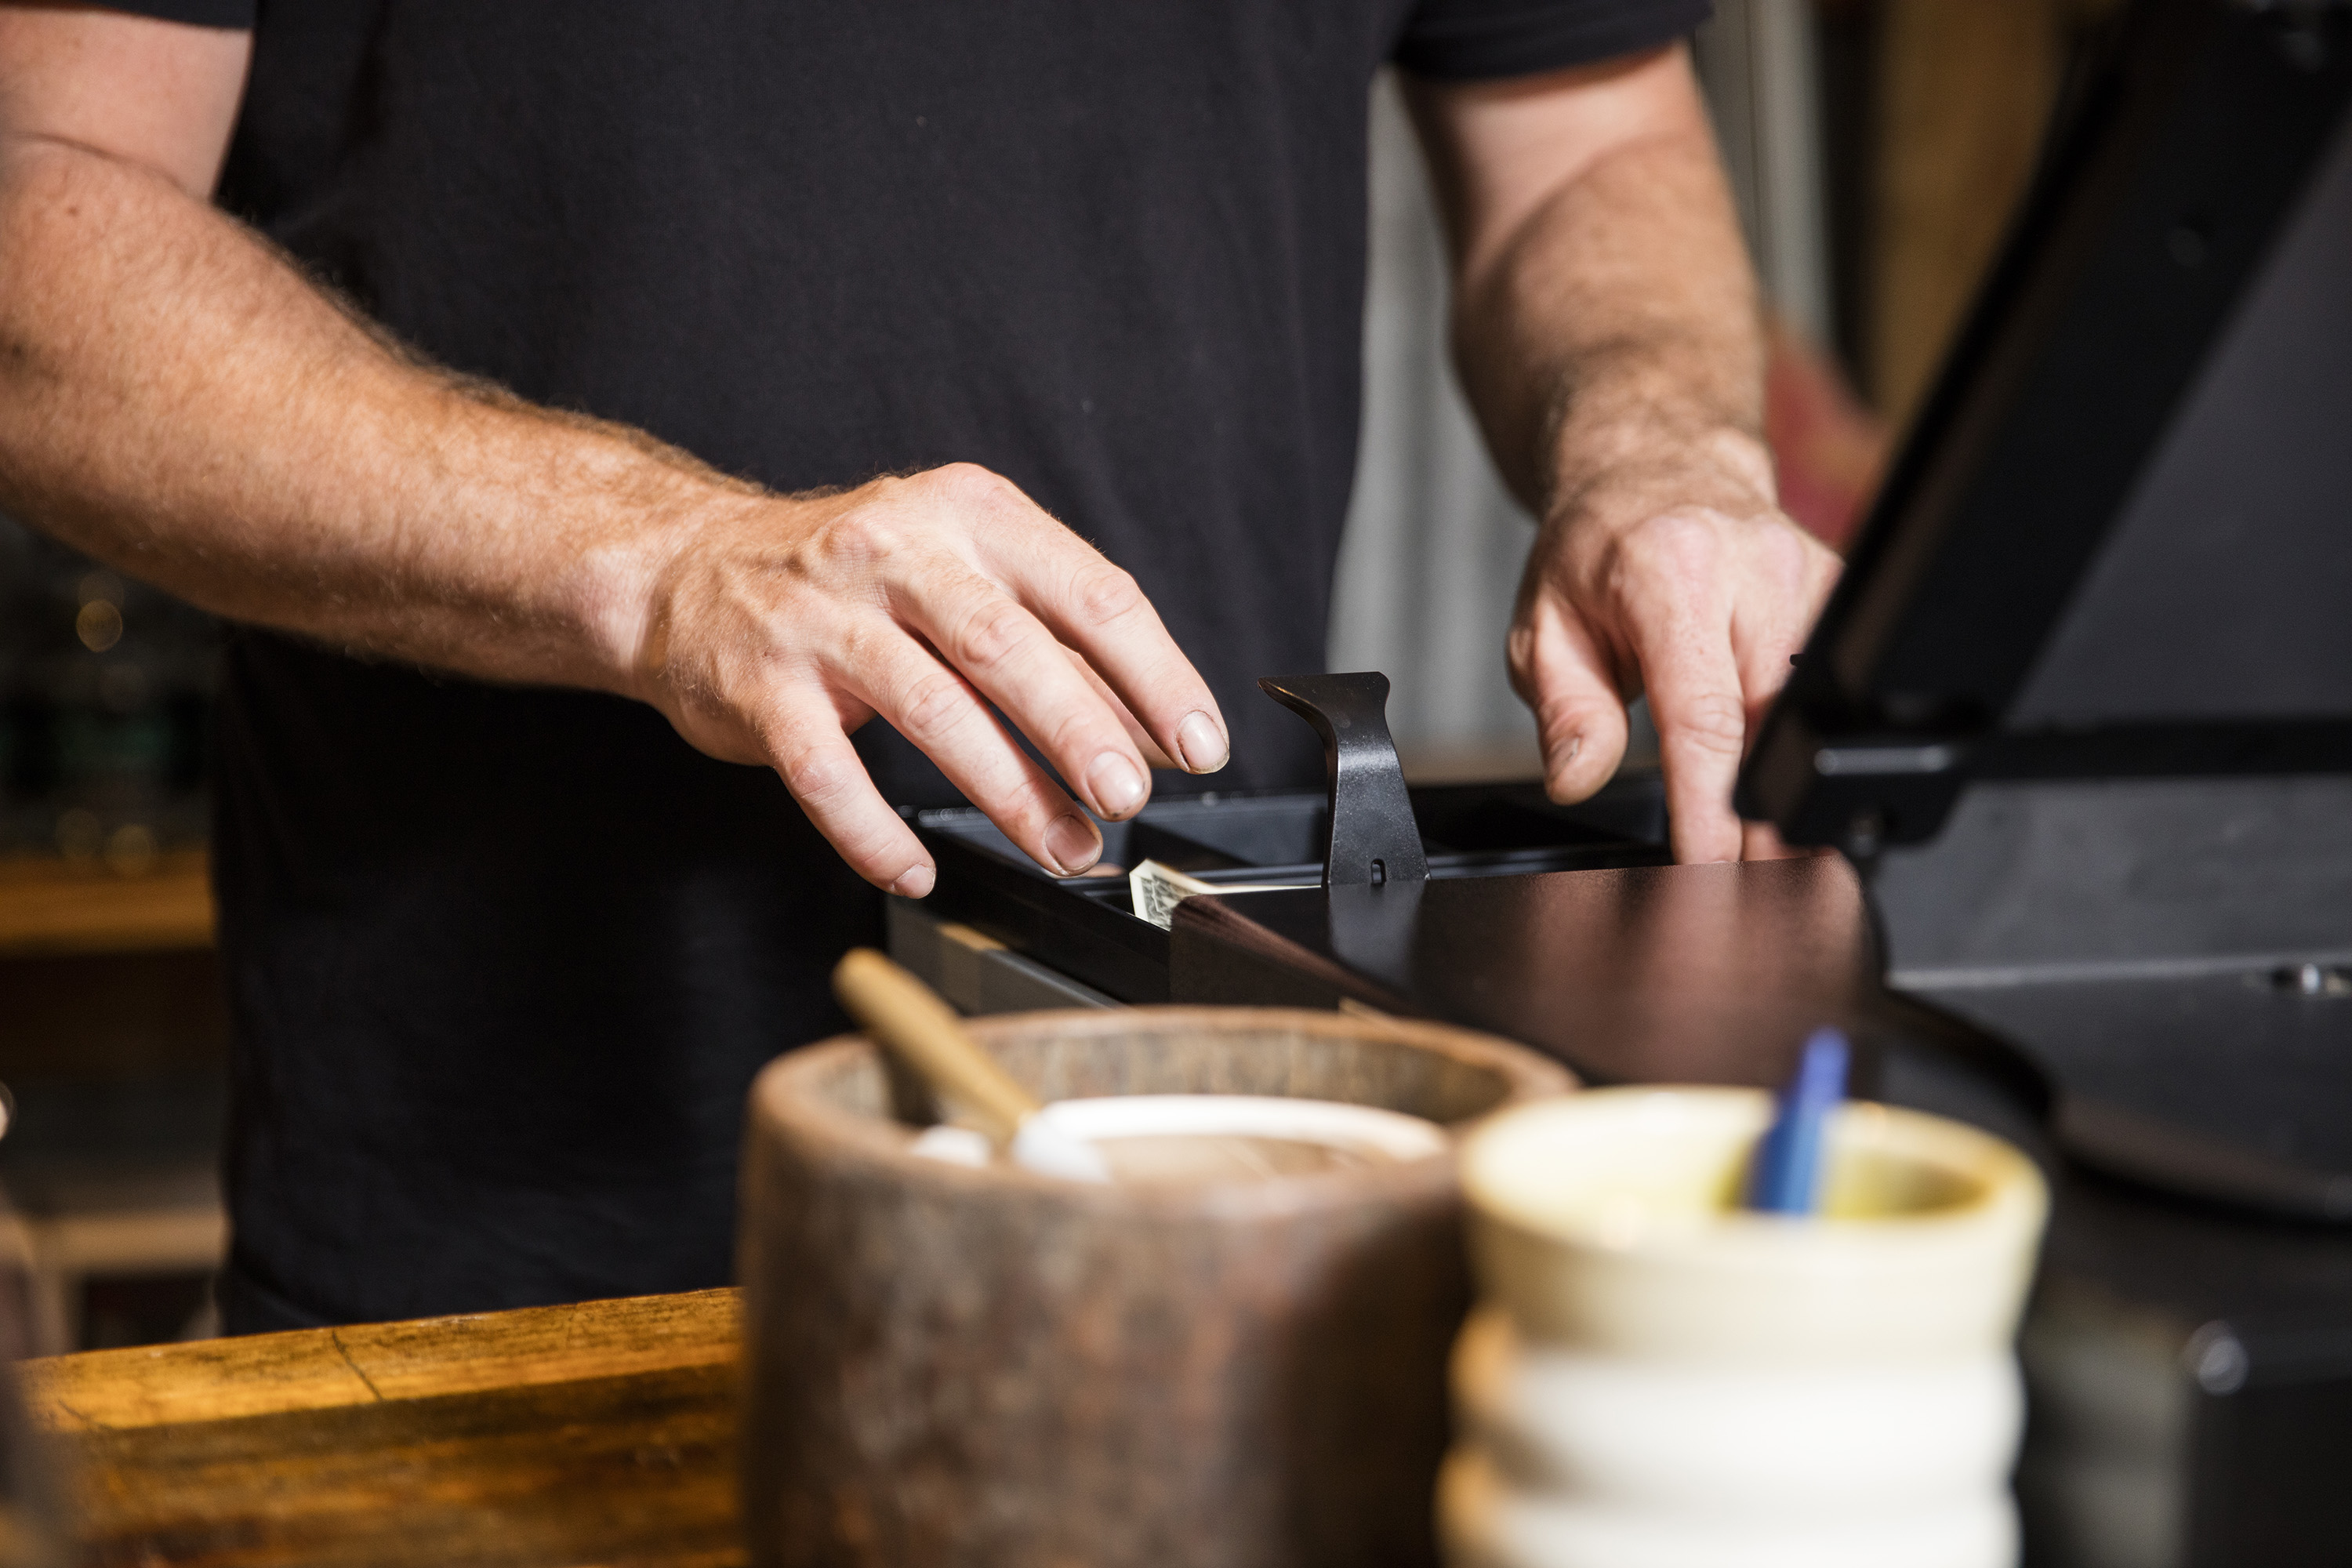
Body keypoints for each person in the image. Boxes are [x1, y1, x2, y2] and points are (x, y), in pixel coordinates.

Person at [0, 0, 1839, 1330]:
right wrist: (662, 562)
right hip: (502, 1261)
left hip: (1218, 1227)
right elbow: (35, 226)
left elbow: (1586, 136)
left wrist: (1664, 447)